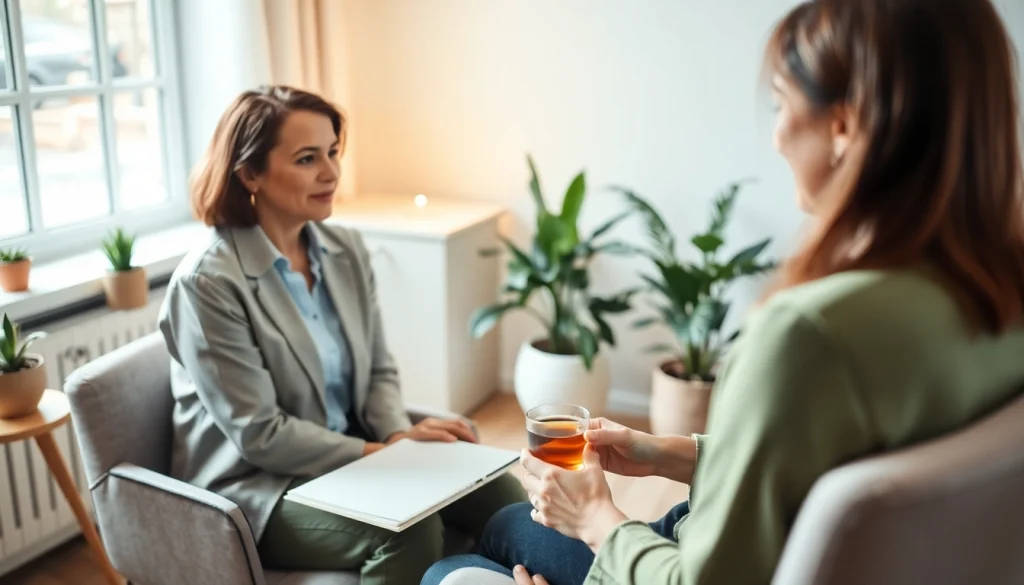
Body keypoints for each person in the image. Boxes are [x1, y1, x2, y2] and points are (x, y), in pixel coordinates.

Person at [423, 0, 1024, 583]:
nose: (778, 136)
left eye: (781, 104)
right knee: (505, 524)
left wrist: (595, 518)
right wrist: (669, 452)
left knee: (447, 571)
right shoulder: (997, 289)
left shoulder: (811, 335)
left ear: (843, 125)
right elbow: (821, 457)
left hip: (692, 564)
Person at [158, 85, 525, 585]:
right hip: (260, 485)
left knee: (500, 493)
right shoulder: (207, 283)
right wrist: (387, 454)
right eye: (307, 159)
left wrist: (395, 434)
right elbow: (260, 435)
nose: (331, 172)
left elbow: (378, 369)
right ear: (249, 174)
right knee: (408, 531)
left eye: (333, 152)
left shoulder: (345, 249)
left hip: (355, 454)